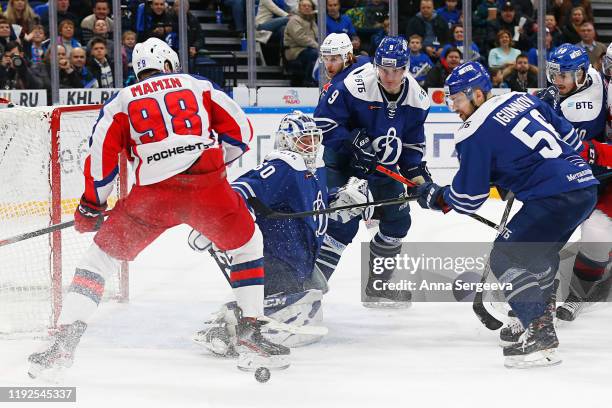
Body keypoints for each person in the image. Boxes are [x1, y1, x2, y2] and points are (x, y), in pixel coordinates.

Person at [27, 38, 289, 379]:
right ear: (168, 64)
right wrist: (208, 168)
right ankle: (251, 332)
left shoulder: (122, 100)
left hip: (154, 197)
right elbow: (241, 132)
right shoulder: (198, 85)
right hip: (207, 188)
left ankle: (63, 343)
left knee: (99, 260)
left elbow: (100, 160)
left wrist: (91, 207)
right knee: (247, 244)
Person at [416, 61, 598, 368]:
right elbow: (572, 141)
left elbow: (469, 198)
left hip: (551, 196)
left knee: (505, 256)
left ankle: (539, 332)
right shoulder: (522, 98)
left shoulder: (471, 133)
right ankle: (536, 314)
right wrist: (519, 168)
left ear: (476, 94)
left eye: (457, 99)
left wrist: (437, 196)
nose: (453, 108)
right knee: (540, 253)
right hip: (583, 186)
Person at [189, 111, 371, 353]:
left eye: (315, 140)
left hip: (298, 264)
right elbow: (242, 187)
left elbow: (310, 202)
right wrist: (215, 221)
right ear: (286, 141)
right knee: (303, 305)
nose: (312, 146)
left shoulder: (314, 168)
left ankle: (242, 317)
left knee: (315, 293)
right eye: (305, 140)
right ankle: (232, 322)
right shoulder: (283, 166)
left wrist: (341, 199)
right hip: (274, 263)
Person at [314, 36, 431, 307]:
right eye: (384, 70)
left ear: (406, 68)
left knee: (398, 222)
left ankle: (378, 286)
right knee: (342, 221)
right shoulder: (352, 86)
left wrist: (416, 177)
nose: (390, 77)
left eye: (397, 71)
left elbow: (412, 145)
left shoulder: (417, 99)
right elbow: (323, 121)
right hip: (343, 164)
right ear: (376, 66)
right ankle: (308, 289)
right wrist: (352, 142)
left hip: (383, 169)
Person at [542, 44, 612, 322]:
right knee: (545, 231)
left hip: (602, 177)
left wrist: (595, 152)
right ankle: (541, 286)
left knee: (597, 235)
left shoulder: (599, 88)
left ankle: (579, 293)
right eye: (609, 66)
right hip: (575, 178)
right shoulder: (595, 83)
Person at [284, 0, 319, 86]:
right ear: (299, 8)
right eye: (304, 6)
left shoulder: (312, 21)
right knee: (314, 54)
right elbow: (301, 38)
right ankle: (308, 81)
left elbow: (317, 36)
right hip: (295, 50)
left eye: (309, 6)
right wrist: (317, 46)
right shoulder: (294, 20)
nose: (307, 7)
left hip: (310, 48)